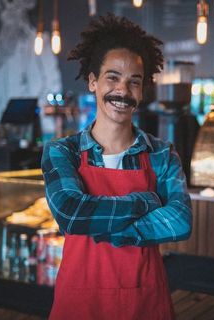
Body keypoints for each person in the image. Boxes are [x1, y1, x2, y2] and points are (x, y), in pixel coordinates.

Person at [41, 14, 192, 320]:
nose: (122, 91)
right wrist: (147, 201)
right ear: (93, 81)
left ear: (142, 90)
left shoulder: (162, 153)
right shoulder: (62, 151)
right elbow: (71, 213)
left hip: (145, 300)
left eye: (134, 81)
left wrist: (106, 227)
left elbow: (180, 221)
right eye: (112, 77)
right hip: (80, 301)